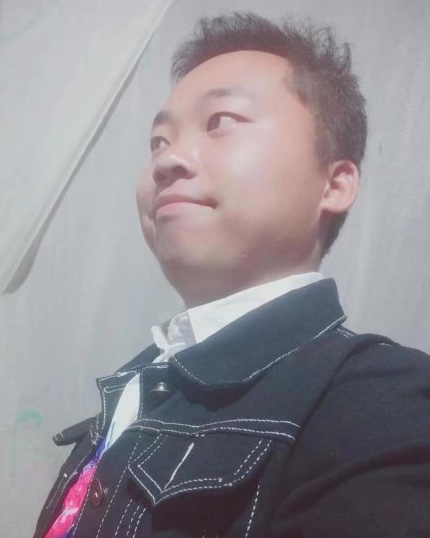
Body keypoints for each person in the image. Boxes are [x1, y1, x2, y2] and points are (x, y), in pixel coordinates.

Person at [33, 12, 430, 538]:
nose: (169, 160)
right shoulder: (139, 382)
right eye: (158, 141)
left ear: (335, 184)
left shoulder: (379, 405)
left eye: (221, 120)